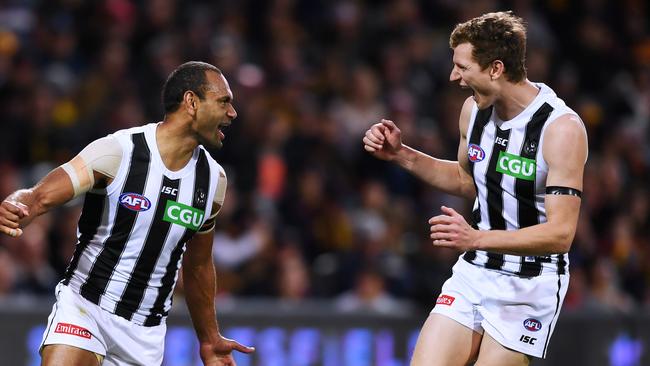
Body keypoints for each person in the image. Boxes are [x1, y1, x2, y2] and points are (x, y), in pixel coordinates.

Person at [363, 11, 587, 366]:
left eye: (462, 67)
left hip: (529, 284)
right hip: (476, 270)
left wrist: (476, 238)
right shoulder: (473, 111)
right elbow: (470, 181)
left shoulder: (561, 129)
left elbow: (561, 234)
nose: (454, 76)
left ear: (496, 68)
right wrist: (401, 155)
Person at [0, 61, 254, 366]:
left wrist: (210, 339)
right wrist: (17, 205)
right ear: (191, 102)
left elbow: (198, 266)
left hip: (143, 336)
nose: (232, 113)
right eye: (224, 101)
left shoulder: (213, 181)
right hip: (85, 309)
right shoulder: (118, 151)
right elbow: (39, 196)